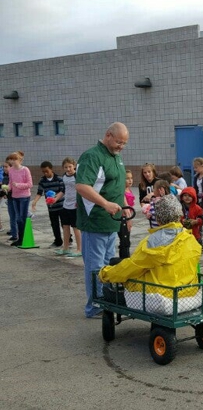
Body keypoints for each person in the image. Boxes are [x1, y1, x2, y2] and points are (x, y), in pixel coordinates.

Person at [99, 194, 202, 314]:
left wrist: (105, 274)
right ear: (179, 215)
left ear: (158, 218)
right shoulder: (189, 238)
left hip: (161, 292)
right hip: (187, 290)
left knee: (114, 283)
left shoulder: (153, 241)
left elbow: (133, 266)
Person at [76, 122, 129, 319]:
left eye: (124, 143)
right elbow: (82, 186)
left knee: (107, 265)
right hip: (96, 220)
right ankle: (94, 306)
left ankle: (104, 301)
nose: (121, 146)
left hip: (111, 222)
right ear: (108, 135)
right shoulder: (93, 156)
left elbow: (118, 186)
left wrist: (123, 209)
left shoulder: (116, 157)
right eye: (118, 142)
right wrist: (105, 204)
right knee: (95, 266)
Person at [31, 161, 65, 248]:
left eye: (47, 171)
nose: (45, 173)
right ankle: (58, 240)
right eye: (43, 172)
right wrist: (34, 201)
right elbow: (39, 192)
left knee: (65, 223)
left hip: (61, 206)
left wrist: (55, 198)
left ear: (51, 169)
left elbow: (62, 191)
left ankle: (69, 239)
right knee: (54, 224)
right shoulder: (42, 180)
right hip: (51, 207)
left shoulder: (59, 179)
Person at [55, 157, 82, 257]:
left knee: (76, 228)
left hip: (75, 206)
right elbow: (63, 190)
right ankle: (65, 248)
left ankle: (79, 249)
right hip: (66, 205)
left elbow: (82, 189)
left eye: (70, 166)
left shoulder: (77, 176)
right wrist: (56, 198)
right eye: (66, 167)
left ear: (74, 166)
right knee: (65, 226)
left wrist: (79, 202)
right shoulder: (64, 176)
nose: (68, 169)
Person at [7, 151, 33, 247]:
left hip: (24, 197)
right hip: (15, 196)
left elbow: (30, 184)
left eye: (14, 159)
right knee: (18, 218)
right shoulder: (11, 170)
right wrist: (7, 188)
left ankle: (22, 239)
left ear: (20, 160)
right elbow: (10, 182)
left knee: (22, 218)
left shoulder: (25, 170)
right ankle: (19, 239)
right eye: (11, 159)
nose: (12, 161)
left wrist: (18, 185)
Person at [2, 161, 17, 240]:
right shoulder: (5, 177)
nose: (4, 168)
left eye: (6, 166)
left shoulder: (13, 176)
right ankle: (14, 232)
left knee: (16, 216)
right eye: (3, 167)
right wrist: (4, 192)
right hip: (9, 199)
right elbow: (4, 188)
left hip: (16, 198)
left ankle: (16, 233)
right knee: (12, 216)